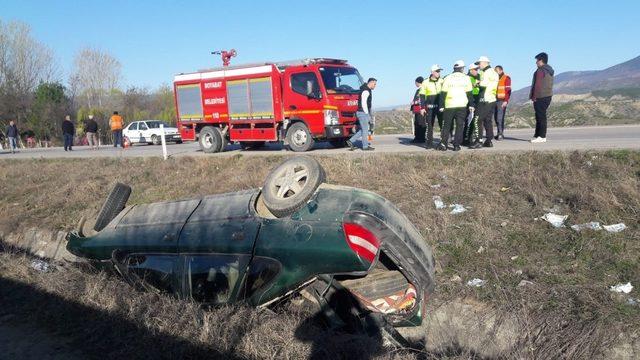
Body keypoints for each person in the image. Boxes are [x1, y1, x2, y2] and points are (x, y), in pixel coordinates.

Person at [437, 60, 474, 151]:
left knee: (447, 126)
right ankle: (456, 145)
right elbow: (469, 93)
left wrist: (441, 106)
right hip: (461, 105)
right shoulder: (466, 78)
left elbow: (443, 93)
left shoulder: (447, 78)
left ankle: (444, 144)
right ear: (462, 68)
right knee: (460, 126)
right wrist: (471, 104)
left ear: (454, 68)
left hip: (449, 105)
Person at [473, 56, 500, 148]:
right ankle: (489, 141)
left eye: (479, 63)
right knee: (488, 120)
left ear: (485, 63)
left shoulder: (485, 72)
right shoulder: (494, 72)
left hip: (484, 99)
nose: (479, 66)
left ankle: (479, 141)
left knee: (477, 120)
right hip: (492, 99)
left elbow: (483, 86)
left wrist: (477, 83)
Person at [529, 52, 554, 143]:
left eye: (537, 60)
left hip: (540, 96)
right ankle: (537, 135)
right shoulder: (549, 70)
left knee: (541, 116)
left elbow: (537, 85)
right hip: (547, 95)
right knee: (539, 115)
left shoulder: (540, 70)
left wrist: (534, 96)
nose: (536, 62)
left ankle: (542, 136)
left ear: (541, 61)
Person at [347, 78, 377, 151]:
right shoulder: (366, 91)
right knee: (365, 130)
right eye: (375, 84)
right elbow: (364, 104)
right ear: (371, 82)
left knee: (363, 130)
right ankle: (365, 146)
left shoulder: (366, 90)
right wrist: (367, 114)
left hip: (362, 112)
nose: (375, 86)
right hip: (363, 112)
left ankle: (350, 141)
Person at [419, 65, 443, 148]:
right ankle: (429, 143)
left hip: (440, 107)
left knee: (442, 125)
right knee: (430, 125)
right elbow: (422, 95)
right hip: (430, 108)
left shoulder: (442, 81)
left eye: (439, 71)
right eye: (437, 71)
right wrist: (422, 108)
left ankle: (443, 142)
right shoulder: (425, 82)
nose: (439, 73)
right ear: (432, 72)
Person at [464, 64, 481, 146]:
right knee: (469, 119)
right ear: (470, 70)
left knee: (475, 119)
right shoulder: (467, 78)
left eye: (477, 69)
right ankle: (465, 138)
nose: (476, 71)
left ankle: (470, 137)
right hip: (470, 100)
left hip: (477, 99)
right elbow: (472, 86)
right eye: (475, 70)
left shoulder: (479, 77)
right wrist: (477, 83)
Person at [494, 65, 512, 140]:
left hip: (502, 100)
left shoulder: (506, 78)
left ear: (501, 70)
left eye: (496, 71)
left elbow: (508, 91)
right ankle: (499, 133)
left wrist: (506, 101)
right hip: (495, 100)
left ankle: (500, 134)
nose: (495, 72)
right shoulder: (495, 79)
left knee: (499, 118)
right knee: (496, 118)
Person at [410, 76, 426, 143]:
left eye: (415, 82)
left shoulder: (423, 89)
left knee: (421, 124)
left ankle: (421, 138)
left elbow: (422, 100)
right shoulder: (418, 90)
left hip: (420, 109)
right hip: (416, 110)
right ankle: (417, 137)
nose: (415, 84)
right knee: (417, 124)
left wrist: (414, 102)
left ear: (418, 82)